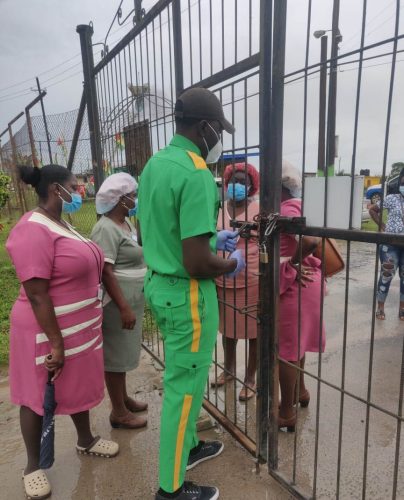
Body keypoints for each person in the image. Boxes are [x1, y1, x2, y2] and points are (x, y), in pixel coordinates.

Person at [137, 87, 245, 500]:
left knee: (189, 377)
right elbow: (200, 262)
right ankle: (171, 489)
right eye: (218, 129)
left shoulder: (155, 165)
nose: (219, 137)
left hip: (161, 285)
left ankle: (190, 448)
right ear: (204, 127)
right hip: (188, 294)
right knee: (183, 389)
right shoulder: (196, 171)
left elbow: (156, 231)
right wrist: (229, 263)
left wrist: (210, 237)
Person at [6, 165, 119, 500]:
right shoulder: (32, 228)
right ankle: (32, 467)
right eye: (76, 185)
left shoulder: (61, 223)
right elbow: (38, 292)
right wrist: (56, 341)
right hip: (45, 330)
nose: (81, 190)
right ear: (57, 189)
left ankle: (85, 440)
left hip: (77, 326)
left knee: (76, 382)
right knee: (38, 395)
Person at [91, 173, 148, 429]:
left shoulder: (125, 224)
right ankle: (118, 412)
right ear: (119, 199)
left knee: (123, 352)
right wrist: (124, 306)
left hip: (130, 297)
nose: (135, 199)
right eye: (132, 196)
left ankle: (123, 399)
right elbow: (106, 270)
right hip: (117, 302)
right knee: (115, 356)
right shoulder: (105, 228)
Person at [278, 161, 324, 432]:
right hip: (307, 283)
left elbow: (310, 241)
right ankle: (301, 392)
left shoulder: (287, 208)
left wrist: (293, 263)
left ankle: (286, 411)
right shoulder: (301, 204)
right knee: (298, 344)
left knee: (286, 350)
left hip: (295, 282)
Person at [213, 162, 260, 401]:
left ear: (252, 186)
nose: (237, 185)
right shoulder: (221, 207)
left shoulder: (258, 209)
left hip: (249, 277)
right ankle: (229, 369)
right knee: (227, 328)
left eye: (243, 182)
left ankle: (251, 379)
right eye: (234, 181)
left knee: (253, 331)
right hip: (223, 276)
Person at [369, 169, 404, 320]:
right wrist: (383, 226)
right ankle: (380, 308)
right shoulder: (391, 198)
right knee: (386, 275)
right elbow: (373, 211)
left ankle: (402, 310)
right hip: (390, 244)